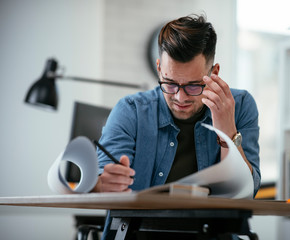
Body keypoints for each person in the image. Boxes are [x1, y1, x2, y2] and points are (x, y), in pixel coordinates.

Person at [92, 14, 260, 239]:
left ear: (214, 73)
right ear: (159, 68)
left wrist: (226, 129)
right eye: (170, 84)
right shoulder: (130, 111)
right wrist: (103, 184)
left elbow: (245, 194)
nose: (180, 97)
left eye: (193, 86)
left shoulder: (239, 106)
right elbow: (99, 185)